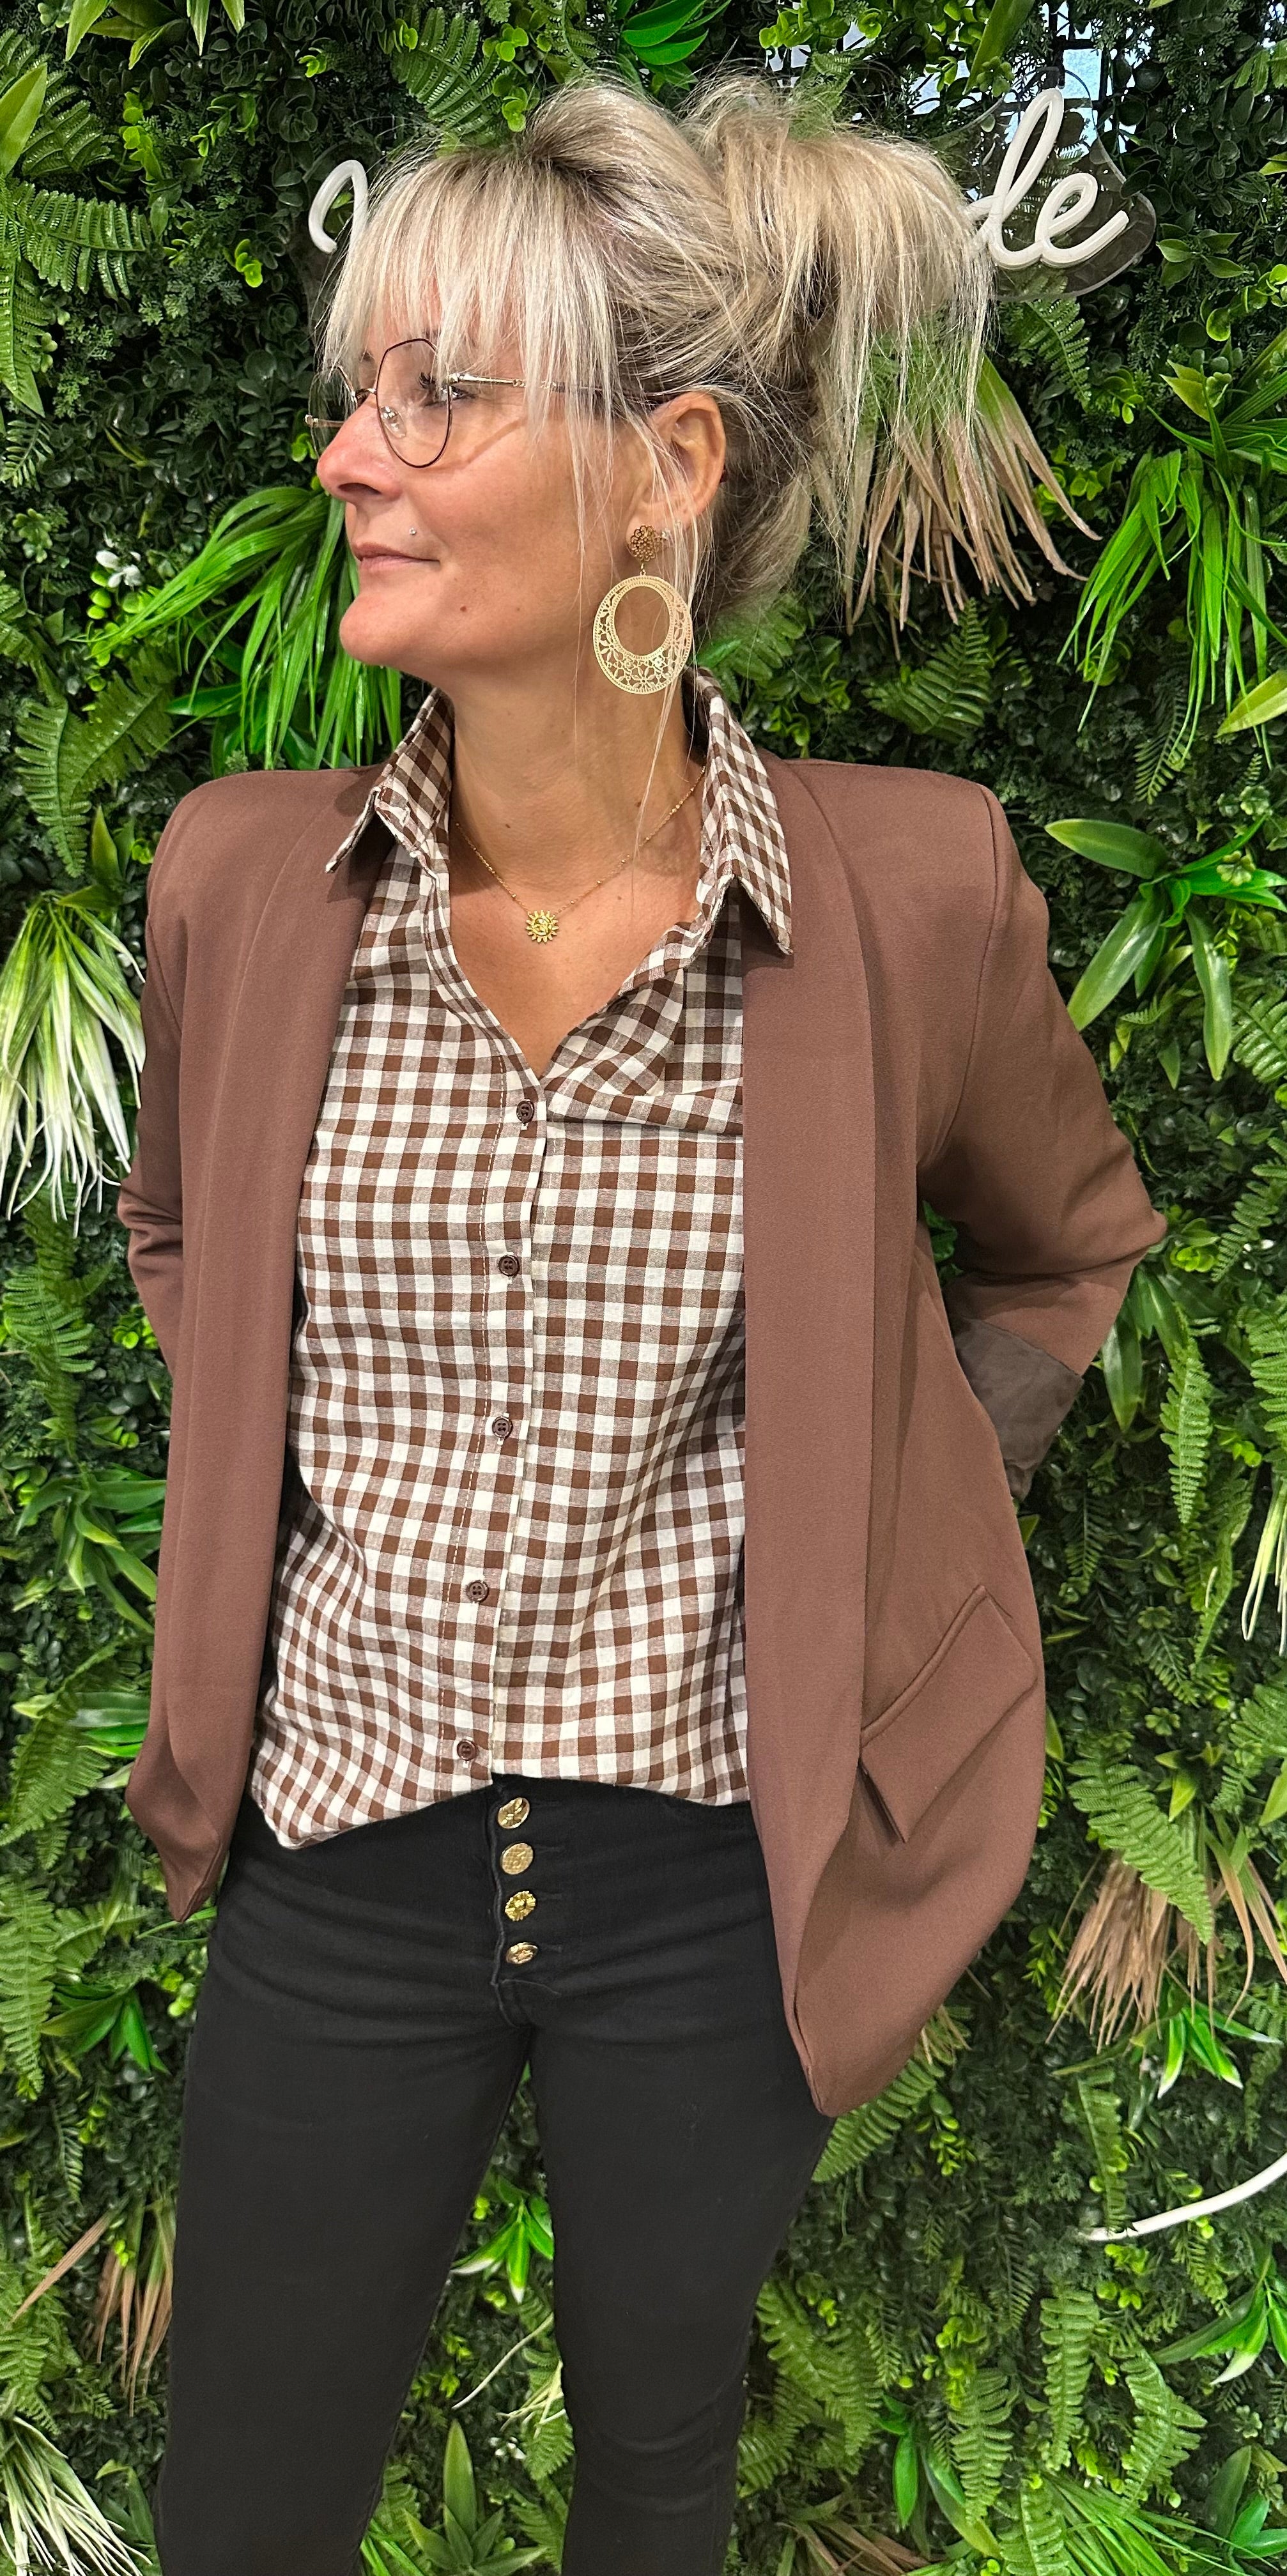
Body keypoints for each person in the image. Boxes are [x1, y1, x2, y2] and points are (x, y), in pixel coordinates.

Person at [116, 67, 1166, 2576]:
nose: (350, 457)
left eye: (440, 397)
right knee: (245, 2503)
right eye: (359, 391)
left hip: (721, 1885)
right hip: (337, 1857)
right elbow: (179, 1237)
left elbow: (1066, 1248)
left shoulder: (912, 897)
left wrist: (896, 1517)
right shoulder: (245, 886)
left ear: (665, 468)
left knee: (660, 2479)